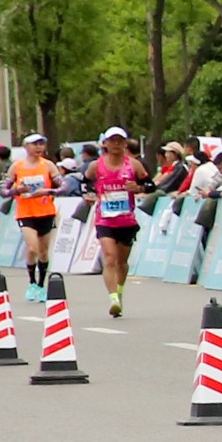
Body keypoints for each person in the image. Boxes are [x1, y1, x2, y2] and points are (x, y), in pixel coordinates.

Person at [85, 127, 146, 316]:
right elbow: (85, 183)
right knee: (109, 258)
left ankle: (119, 292)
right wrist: (88, 195)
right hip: (105, 220)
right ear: (105, 144)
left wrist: (137, 188)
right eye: (112, 141)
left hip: (126, 220)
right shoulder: (96, 166)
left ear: (125, 143)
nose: (116, 144)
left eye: (120, 141)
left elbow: (150, 184)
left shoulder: (134, 165)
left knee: (122, 262)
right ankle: (113, 299)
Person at [5, 131, 57, 299]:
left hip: (46, 212)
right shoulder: (17, 166)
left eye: (41, 144)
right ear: (26, 147)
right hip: (26, 213)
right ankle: (31, 282)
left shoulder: (48, 165)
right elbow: (3, 191)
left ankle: (41, 285)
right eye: (35, 144)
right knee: (32, 247)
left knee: (43, 251)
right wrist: (16, 190)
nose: (39, 147)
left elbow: (63, 187)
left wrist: (47, 191)